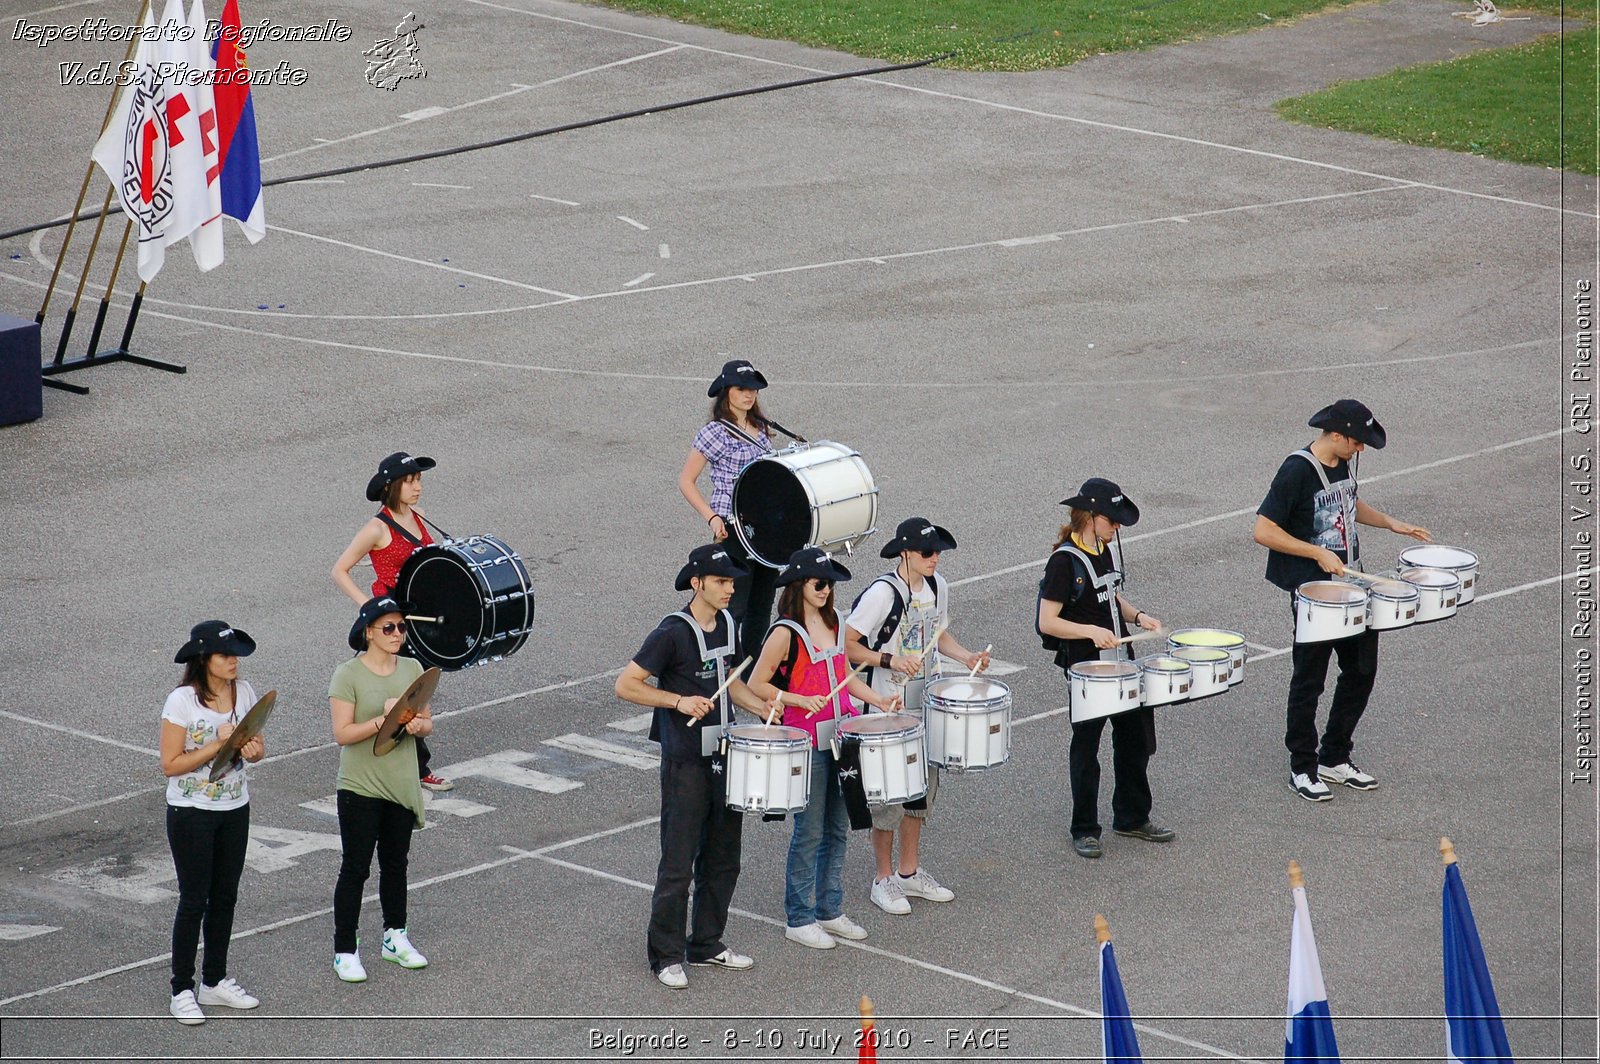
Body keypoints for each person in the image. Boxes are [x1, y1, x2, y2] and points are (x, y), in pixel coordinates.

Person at [614, 543, 781, 988]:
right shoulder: (671, 632)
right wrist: (677, 700)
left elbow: (734, 686)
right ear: (697, 583)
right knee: (678, 862)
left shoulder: (728, 622)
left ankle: (706, 943)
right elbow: (627, 684)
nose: (730, 590)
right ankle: (665, 955)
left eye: (732, 582)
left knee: (725, 859)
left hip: (727, 756)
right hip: (686, 761)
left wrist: (761, 709)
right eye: (722, 582)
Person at [1254, 400, 1431, 801]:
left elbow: (1347, 503)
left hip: (1353, 587)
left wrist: (1390, 523)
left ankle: (1334, 755)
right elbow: (1263, 530)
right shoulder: (1296, 470)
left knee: (1361, 671)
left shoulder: (1341, 462)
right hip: (1316, 593)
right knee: (1309, 680)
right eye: (1357, 442)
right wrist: (1316, 552)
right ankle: (1302, 765)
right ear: (1336, 435)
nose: (1361, 449)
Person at [747, 547, 902, 951]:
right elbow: (756, 685)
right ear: (799, 585)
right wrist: (798, 701)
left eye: (829, 584)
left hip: (842, 737)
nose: (826, 590)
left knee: (837, 827)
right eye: (819, 583)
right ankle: (799, 917)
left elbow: (845, 678)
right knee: (810, 831)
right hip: (806, 741)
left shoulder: (836, 623)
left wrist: (879, 700)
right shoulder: (785, 632)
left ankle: (830, 910)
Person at [844, 517, 990, 916]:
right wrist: (889, 659)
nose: (935, 559)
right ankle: (883, 878)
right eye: (927, 552)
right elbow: (847, 647)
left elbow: (937, 634)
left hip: (925, 703)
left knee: (920, 792)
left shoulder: (938, 587)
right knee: (889, 795)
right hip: (886, 706)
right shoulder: (881, 594)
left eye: (938, 552)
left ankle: (909, 872)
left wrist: (966, 656)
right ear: (905, 552)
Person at [1036, 479, 1171, 859]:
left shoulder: (1104, 548)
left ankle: (1131, 816)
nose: (1117, 528)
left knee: (1134, 742)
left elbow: (1110, 595)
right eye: (1112, 521)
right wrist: (1091, 632)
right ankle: (1084, 828)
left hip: (1122, 663)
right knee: (1086, 749)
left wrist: (1138, 615)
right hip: (1087, 669)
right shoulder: (1063, 562)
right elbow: (1048, 620)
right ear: (1090, 517)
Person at [161, 621, 266, 1025]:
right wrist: (216, 744)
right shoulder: (182, 701)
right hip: (191, 812)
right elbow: (170, 764)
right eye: (226, 655)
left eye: (236, 653)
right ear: (204, 660)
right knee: (193, 901)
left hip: (235, 807)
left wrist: (253, 751)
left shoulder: (246, 693)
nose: (234, 661)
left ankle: (214, 980)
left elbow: (256, 748)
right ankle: (181, 989)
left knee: (226, 897)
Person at [329, 595, 435, 982]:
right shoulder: (347, 675)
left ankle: (395, 936)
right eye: (388, 628)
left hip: (400, 782)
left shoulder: (411, 667)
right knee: (355, 868)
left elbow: (426, 723)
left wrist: (414, 724)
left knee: (396, 864)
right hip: (360, 785)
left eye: (401, 627)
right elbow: (342, 734)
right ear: (368, 632)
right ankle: (345, 948)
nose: (397, 634)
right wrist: (384, 720)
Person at [332, 451, 451, 793]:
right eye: (410, 482)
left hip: (419, 618)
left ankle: (402, 755)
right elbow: (339, 570)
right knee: (406, 690)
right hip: (392, 624)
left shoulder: (420, 516)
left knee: (415, 686)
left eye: (419, 481)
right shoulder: (376, 527)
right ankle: (416, 768)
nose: (417, 488)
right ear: (392, 486)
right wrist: (368, 606)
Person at [678, 359, 784, 657]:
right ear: (726, 392)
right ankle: (720, 667)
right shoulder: (714, 433)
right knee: (733, 605)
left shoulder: (761, 427)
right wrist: (712, 517)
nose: (749, 395)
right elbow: (687, 481)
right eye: (741, 389)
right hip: (733, 525)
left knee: (761, 605)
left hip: (765, 528)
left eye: (753, 389)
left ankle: (749, 670)